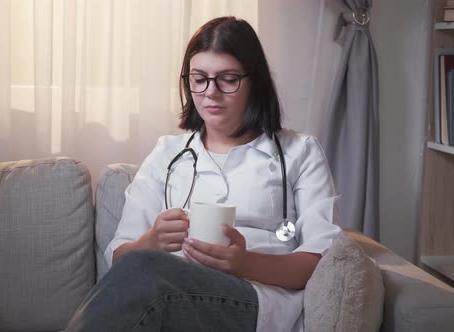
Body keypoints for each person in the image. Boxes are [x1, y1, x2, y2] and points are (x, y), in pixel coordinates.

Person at [65, 16, 341, 332]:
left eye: (227, 79)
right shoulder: (167, 154)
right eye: (199, 78)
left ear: (255, 82)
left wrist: (245, 263)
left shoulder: (300, 152)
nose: (210, 92)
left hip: (253, 301)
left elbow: (321, 260)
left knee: (146, 271)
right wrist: (152, 240)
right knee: (143, 266)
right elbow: (121, 259)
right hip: (169, 299)